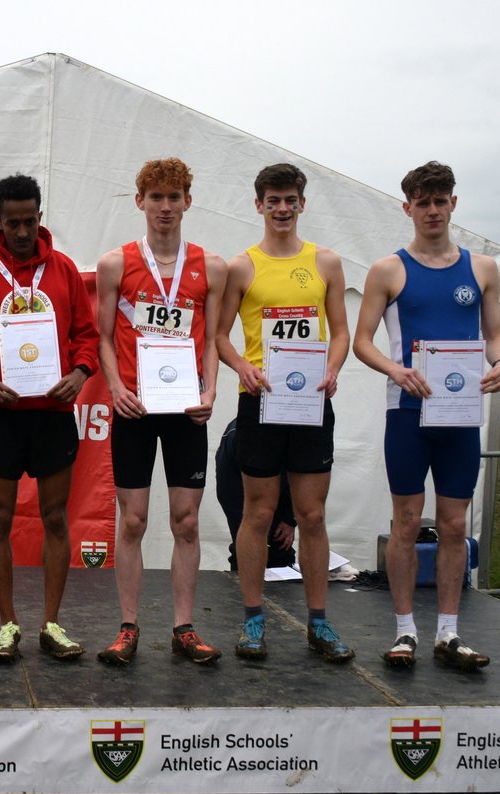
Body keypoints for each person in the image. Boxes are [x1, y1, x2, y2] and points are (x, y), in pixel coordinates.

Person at [353, 161, 500, 671]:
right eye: (423, 202)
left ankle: (448, 631)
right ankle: (404, 631)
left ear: (453, 205)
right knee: (403, 522)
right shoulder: (388, 270)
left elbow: (494, 336)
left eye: (441, 201)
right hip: (409, 413)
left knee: (454, 523)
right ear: (408, 208)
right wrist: (396, 371)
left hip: (460, 416)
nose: (433, 210)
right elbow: (361, 342)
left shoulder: (483, 268)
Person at [0, 173, 99, 662]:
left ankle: (51, 624)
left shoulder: (63, 271)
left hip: (53, 412)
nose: (21, 231)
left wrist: (80, 373)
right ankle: (7, 624)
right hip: (3, 414)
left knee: (55, 516)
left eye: (30, 221)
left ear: (40, 218)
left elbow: (86, 336)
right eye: (12, 222)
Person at [215, 163, 353, 662]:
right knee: (258, 512)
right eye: (272, 200)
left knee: (312, 515)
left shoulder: (327, 263)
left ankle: (320, 624)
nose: (281, 208)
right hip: (261, 400)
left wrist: (333, 369)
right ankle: (253, 618)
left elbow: (339, 331)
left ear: (301, 203)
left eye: (289, 199)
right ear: (258, 205)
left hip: (311, 398)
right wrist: (241, 368)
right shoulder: (242, 266)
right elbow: (219, 334)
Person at [94, 158, 226, 665]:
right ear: (140, 202)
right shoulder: (116, 263)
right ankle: (128, 627)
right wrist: (115, 388)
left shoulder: (210, 267)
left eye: (174, 197)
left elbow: (213, 338)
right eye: (156, 197)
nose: (165, 207)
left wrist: (211, 390)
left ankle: (183, 628)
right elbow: (104, 336)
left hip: (186, 408)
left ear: (188, 202)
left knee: (186, 521)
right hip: (135, 407)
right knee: (132, 520)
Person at [215, 417, 296, 572]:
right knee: (249, 537)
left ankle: (281, 574)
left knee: (278, 541)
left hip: (278, 452)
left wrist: (290, 519)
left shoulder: (290, 434)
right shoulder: (237, 437)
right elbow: (227, 493)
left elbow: (297, 475)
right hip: (239, 464)